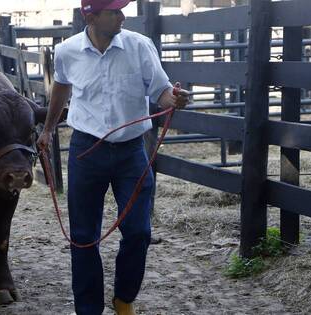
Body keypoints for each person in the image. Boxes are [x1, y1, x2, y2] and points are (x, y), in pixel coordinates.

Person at [37, 0, 190, 314]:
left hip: (131, 151)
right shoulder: (66, 52)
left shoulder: (139, 46)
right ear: (90, 16)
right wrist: (48, 129)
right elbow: (61, 88)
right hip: (85, 151)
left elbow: (160, 90)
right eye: (113, 11)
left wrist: (173, 99)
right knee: (82, 237)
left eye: (122, 10)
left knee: (138, 232)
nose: (122, 16)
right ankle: (89, 310)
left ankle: (124, 298)